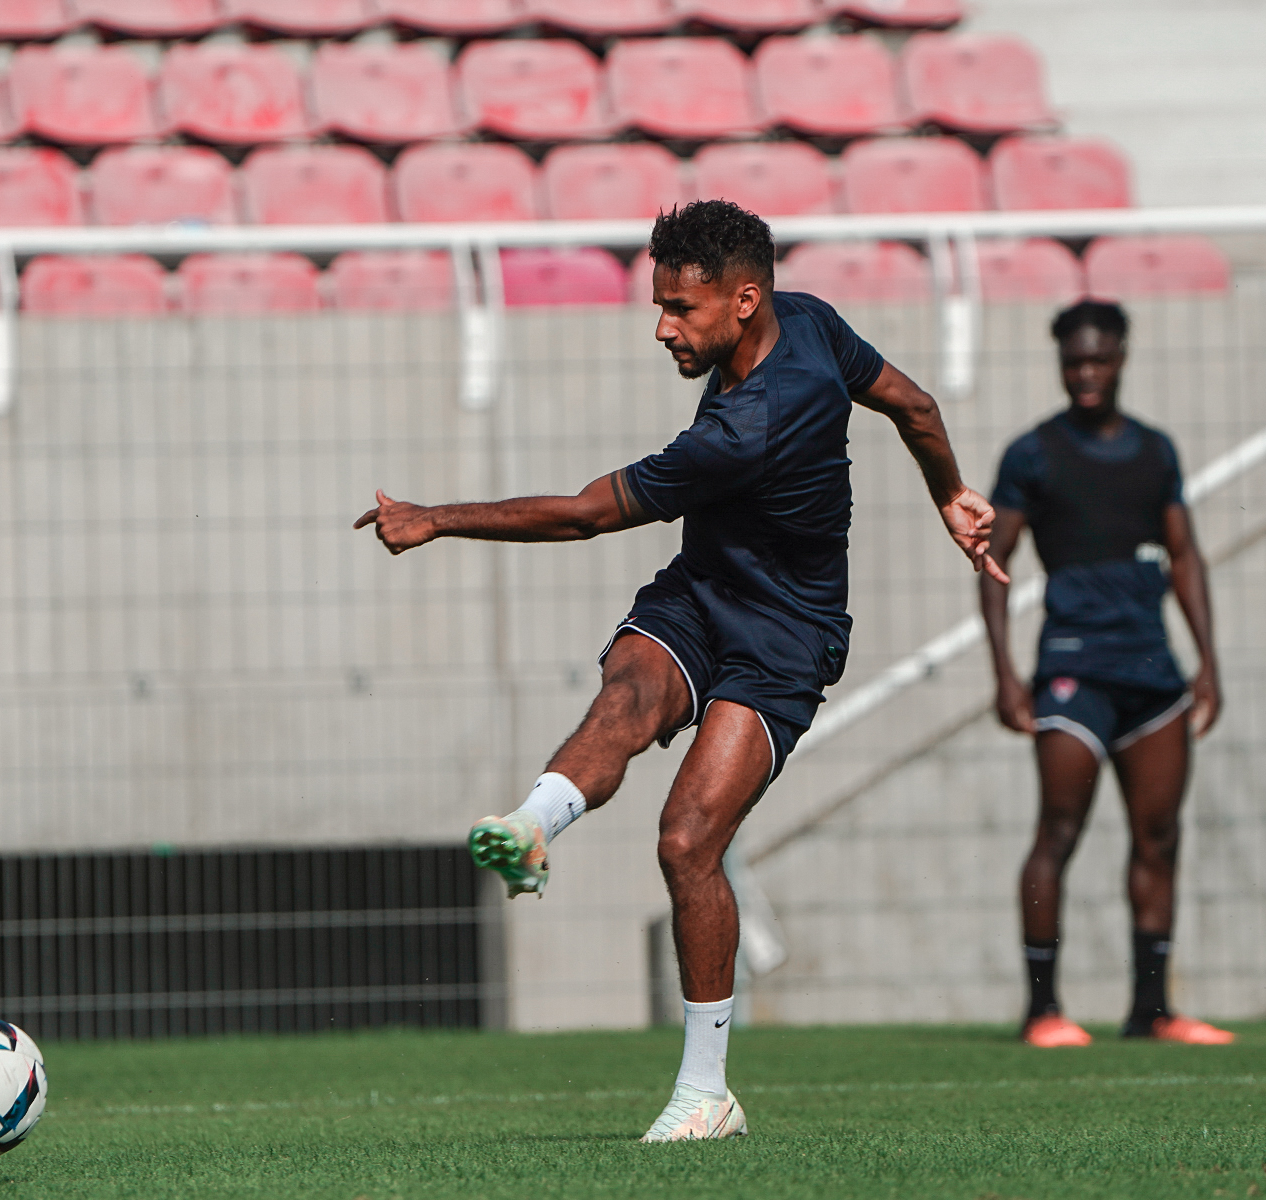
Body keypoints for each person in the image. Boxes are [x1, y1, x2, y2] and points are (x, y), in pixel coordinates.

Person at [356, 201, 1005, 1141]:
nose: (663, 328)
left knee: (687, 840)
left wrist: (436, 518)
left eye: (680, 309)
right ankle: (532, 827)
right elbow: (914, 405)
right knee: (626, 695)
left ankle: (707, 1094)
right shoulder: (809, 318)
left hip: (785, 638)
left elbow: (585, 515)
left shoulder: (747, 428)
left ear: (743, 301)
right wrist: (950, 494)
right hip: (698, 597)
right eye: (659, 304)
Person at [979, 298, 1231, 1048]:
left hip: (1152, 671)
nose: (1085, 372)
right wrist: (1005, 673)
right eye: (1074, 362)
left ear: (1121, 358)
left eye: (1098, 359)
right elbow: (995, 563)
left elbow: (1184, 556)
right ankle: (1043, 1010)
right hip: (1072, 669)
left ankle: (1150, 1011)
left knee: (1159, 837)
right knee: (1058, 831)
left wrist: (1208, 663)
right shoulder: (1033, 453)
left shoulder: (1156, 451)